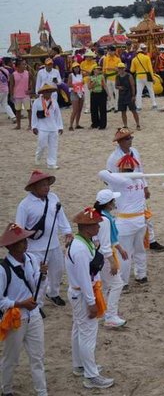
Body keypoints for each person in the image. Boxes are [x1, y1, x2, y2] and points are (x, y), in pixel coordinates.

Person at [66, 208, 115, 389]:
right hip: (83, 293)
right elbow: (84, 279)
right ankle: (91, 375)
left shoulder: (83, 242)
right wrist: (91, 302)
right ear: (87, 228)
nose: (98, 227)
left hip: (80, 292)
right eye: (95, 225)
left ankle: (80, 365)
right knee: (88, 334)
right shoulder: (79, 249)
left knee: (79, 330)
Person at [0, 223, 47, 396]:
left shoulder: (32, 259)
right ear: (11, 246)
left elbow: (37, 287)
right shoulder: (2, 270)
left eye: (24, 239)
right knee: (11, 358)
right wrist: (21, 304)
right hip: (15, 318)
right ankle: (6, 390)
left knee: (38, 357)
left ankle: (42, 392)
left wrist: (43, 275)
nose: (25, 243)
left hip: (33, 315)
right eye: (20, 241)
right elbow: (0, 301)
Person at [15, 170, 72, 307]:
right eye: (43, 185)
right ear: (34, 187)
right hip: (35, 249)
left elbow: (61, 216)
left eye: (48, 185)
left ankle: (53, 293)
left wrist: (67, 232)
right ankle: (38, 303)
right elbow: (19, 228)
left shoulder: (53, 198)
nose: (47, 188)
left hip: (54, 244)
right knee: (40, 277)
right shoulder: (24, 205)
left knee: (58, 271)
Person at [106, 128, 164, 252]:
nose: (130, 140)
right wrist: (115, 196)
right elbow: (110, 178)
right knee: (125, 216)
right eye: (128, 138)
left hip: (137, 187)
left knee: (146, 214)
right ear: (120, 142)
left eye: (131, 137)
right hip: (123, 191)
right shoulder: (113, 158)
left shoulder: (134, 152)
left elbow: (140, 170)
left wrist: (145, 187)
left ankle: (151, 240)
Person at [99, 155, 149, 288]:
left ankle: (123, 281)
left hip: (126, 222)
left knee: (124, 253)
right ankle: (142, 275)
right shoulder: (139, 179)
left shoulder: (121, 180)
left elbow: (102, 173)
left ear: (120, 169)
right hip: (140, 219)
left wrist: (112, 174)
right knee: (140, 249)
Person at [93, 189, 127, 328]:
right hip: (104, 257)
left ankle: (106, 312)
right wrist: (112, 262)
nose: (114, 202)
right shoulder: (105, 220)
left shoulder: (99, 215)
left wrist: (119, 248)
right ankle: (111, 316)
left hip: (99, 256)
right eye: (112, 200)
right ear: (108, 204)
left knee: (107, 286)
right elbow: (105, 244)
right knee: (117, 284)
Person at [30, 84, 63, 170]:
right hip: (42, 127)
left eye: (50, 92)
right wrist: (34, 126)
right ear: (43, 93)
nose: (48, 93)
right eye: (46, 92)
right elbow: (33, 115)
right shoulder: (37, 102)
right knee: (42, 145)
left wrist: (60, 126)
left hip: (53, 127)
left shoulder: (54, 101)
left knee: (53, 146)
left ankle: (51, 163)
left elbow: (58, 114)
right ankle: (38, 156)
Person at [130, 45, 162, 111]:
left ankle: (139, 107)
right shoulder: (147, 57)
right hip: (147, 76)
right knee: (151, 90)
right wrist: (152, 78)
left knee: (139, 92)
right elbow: (150, 69)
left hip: (139, 77)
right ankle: (154, 104)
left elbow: (132, 70)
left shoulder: (134, 59)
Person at [115, 62, 140, 130]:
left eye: (122, 68)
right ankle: (125, 125)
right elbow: (116, 86)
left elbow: (132, 86)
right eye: (119, 68)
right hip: (122, 95)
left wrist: (133, 95)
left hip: (129, 95)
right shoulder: (117, 76)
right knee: (123, 111)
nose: (121, 70)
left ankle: (138, 124)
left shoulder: (129, 76)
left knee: (133, 110)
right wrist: (119, 87)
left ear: (124, 69)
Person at [11, 59, 31, 130]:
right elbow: (11, 85)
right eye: (23, 64)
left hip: (26, 95)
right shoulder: (13, 74)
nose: (25, 65)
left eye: (25, 64)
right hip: (17, 95)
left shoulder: (28, 73)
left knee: (29, 110)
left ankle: (30, 125)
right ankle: (18, 125)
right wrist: (11, 95)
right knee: (18, 110)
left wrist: (31, 90)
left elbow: (33, 80)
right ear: (18, 66)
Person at [88, 65, 107, 129]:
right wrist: (94, 82)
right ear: (93, 70)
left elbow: (104, 85)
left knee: (102, 109)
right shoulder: (91, 77)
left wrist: (108, 94)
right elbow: (89, 87)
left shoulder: (101, 76)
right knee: (93, 109)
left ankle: (102, 124)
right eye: (97, 69)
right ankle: (95, 123)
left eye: (99, 69)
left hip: (101, 93)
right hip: (94, 93)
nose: (98, 70)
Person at [67, 63, 85, 130]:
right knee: (75, 110)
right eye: (75, 68)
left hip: (81, 92)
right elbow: (68, 84)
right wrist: (77, 86)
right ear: (73, 69)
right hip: (74, 92)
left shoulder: (81, 74)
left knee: (79, 109)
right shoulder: (71, 75)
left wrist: (79, 85)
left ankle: (77, 124)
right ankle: (71, 125)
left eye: (77, 67)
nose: (76, 69)